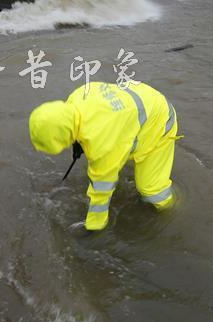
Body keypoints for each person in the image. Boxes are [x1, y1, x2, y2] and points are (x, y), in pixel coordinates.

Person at [28, 81, 180, 231]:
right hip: (142, 94)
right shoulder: (76, 97)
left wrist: (95, 225)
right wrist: (78, 141)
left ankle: (175, 212)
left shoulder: (103, 144)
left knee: (151, 190)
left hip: (159, 120)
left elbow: (102, 187)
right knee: (118, 151)